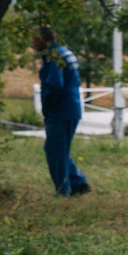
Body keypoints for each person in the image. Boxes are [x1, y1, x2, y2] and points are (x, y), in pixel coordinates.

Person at [30, 25, 89, 197]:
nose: (32, 42)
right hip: (71, 108)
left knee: (55, 151)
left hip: (59, 111)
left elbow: (55, 85)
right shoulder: (65, 52)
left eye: (34, 38)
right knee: (58, 149)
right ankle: (78, 183)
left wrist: (47, 105)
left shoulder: (53, 57)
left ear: (43, 39)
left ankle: (64, 191)